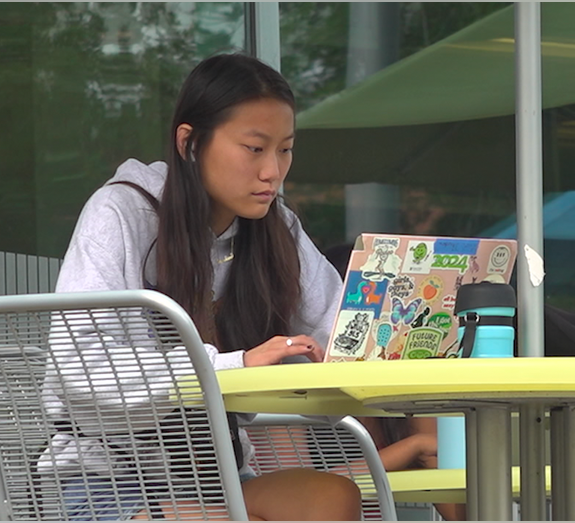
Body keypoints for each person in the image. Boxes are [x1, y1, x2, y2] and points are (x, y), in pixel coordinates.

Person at [41, 53, 361, 521]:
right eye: (254, 148)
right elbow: (80, 363)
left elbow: (337, 326)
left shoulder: (278, 229)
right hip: (105, 480)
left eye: (285, 149)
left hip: (217, 478)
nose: (273, 171)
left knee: (332, 498)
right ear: (190, 143)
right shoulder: (122, 213)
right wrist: (235, 365)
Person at [323, 243, 466, 521]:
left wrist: (420, 443)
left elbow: (462, 514)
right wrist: (413, 447)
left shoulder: (411, 391)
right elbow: (292, 482)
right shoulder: (298, 383)